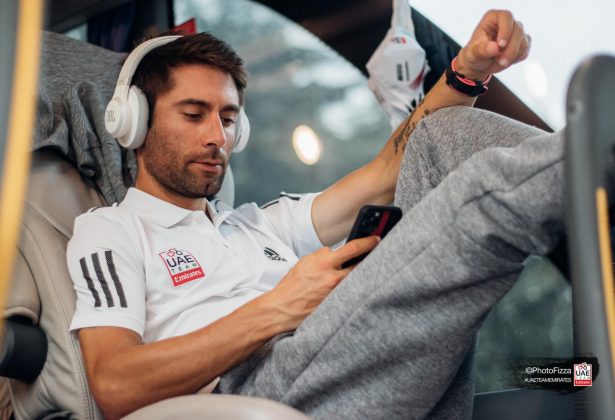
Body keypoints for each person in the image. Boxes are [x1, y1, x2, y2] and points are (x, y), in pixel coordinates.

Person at [66, 9, 552, 419]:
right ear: (137, 121)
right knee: (472, 207)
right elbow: (114, 385)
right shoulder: (110, 230)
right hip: (247, 394)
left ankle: (572, 173)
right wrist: (279, 306)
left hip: (336, 365)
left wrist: (467, 71)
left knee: (437, 135)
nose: (217, 137)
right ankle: (577, 170)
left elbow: (388, 172)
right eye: (193, 115)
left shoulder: (261, 223)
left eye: (229, 119)